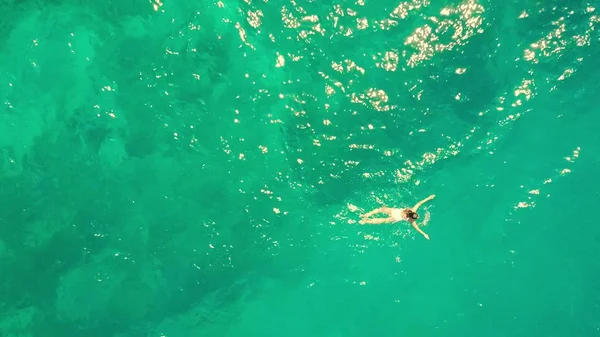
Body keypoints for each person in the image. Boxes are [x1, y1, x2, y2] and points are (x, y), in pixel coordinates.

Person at [358, 194, 436, 240]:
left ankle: (366, 215)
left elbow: (419, 203)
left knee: (381, 209)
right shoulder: (411, 220)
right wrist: (424, 234)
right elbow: (417, 228)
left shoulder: (412, 209)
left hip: (394, 211)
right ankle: (365, 221)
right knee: (381, 220)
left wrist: (429, 197)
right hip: (395, 218)